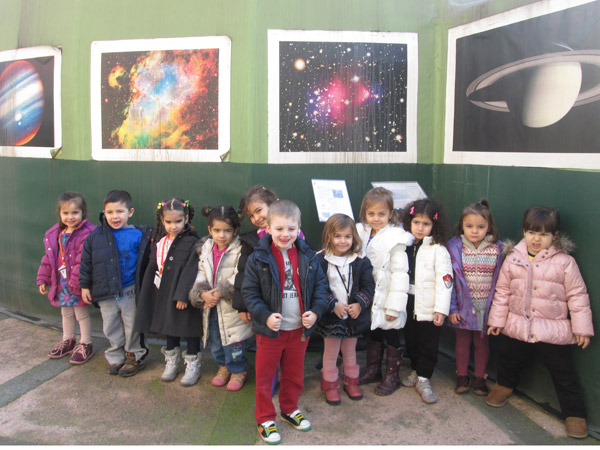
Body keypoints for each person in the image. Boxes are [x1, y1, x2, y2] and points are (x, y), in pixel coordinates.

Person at [486, 206, 594, 439]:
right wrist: (496, 320)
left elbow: (577, 295)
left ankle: (575, 414)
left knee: (563, 373)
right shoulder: (513, 258)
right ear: (524, 232)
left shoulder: (565, 262)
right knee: (509, 359)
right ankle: (504, 386)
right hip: (518, 326)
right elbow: (502, 292)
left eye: (544, 234)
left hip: (552, 330)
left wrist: (582, 327)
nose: (536, 239)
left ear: (554, 235)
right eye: (532, 232)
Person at [242, 200, 329, 445]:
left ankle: (289, 409)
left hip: (299, 331)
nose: (285, 234)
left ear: (299, 228)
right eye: (279, 228)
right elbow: (249, 293)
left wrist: (316, 312)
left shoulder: (309, 256)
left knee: (294, 375)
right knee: (265, 377)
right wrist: (265, 316)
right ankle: (265, 418)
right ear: (268, 228)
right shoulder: (258, 258)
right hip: (270, 332)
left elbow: (321, 288)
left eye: (291, 228)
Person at [80, 190, 152, 377]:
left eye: (120, 211)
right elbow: (86, 263)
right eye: (110, 212)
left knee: (132, 324)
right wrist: (85, 286)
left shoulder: (139, 235)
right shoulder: (96, 237)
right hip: (105, 291)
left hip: (130, 290)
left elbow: (147, 263)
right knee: (110, 325)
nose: (115, 216)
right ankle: (115, 355)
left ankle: (135, 355)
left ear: (130, 212)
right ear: (104, 213)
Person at [134, 198, 202, 386]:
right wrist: (149, 293)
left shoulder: (193, 241)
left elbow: (192, 269)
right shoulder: (160, 242)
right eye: (169, 222)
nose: (174, 226)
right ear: (162, 221)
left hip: (183, 296)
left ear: (186, 219)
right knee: (169, 327)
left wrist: (184, 295)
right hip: (164, 293)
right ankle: (172, 361)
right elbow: (153, 267)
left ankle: (193, 364)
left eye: (178, 221)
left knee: (189, 329)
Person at [188, 205, 254, 392]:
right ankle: (223, 366)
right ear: (210, 230)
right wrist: (202, 293)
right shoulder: (205, 248)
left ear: (235, 230)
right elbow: (201, 272)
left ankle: (238, 370)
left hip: (230, 307)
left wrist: (219, 292)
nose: (222, 235)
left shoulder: (240, 248)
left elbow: (240, 274)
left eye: (227, 231)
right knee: (215, 340)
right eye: (217, 230)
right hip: (211, 307)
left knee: (234, 342)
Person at [356, 187, 412, 396]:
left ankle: (392, 376)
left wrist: (394, 307)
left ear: (390, 214)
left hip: (388, 295)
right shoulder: (361, 232)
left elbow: (400, 274)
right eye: (371, 213)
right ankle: (373, 370)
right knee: (374, 330)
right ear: (365, 213)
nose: (376, 218)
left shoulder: (396, 238)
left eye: (381, 214)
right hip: (370, 293)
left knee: (391, 331)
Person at [317, 214, 374, 405]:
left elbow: (368, 286)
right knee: (331, 353)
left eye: (347, 236)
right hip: (331, 316)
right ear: (329, 237)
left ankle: (351, 382)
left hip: (352, 316)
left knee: (350, 351)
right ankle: (330, 385)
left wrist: (359, 303)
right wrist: (332, 304)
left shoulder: (361, 261)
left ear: (354, 237)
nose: (343, 241)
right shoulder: (320, 260)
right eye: (338, 236)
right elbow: (318, 288)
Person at [447, 200, 503, 395]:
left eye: (480, 227)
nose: (474, 231)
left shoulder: (497, 249)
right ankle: (462, 376)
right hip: (462, 308)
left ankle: (480, 378)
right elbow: (450, 282)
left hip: (485, 309)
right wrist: (452, 309)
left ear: (489, 227)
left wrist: (496, 311)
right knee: (462, 343)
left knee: (481, 344)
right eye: (469, 226)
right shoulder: (455, 247)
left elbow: (501, 282)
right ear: (462, 225)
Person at [400, 198, 453, 404]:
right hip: (408, 303)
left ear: (434, 225)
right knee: (411, 340)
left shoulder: (438, 250)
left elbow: (445, 282)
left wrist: (441, 309)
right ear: (409, 222)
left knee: (428, 343)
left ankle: (424, 378)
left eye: (426, 224)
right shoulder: (404, 245)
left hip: (429, 307)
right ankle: (416, 369)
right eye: (416, 222)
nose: (420, 228)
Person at [37, 192, 96, 364]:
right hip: (61, 283)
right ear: (60, 214)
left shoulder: (87, 234)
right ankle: (68, 340)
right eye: (66, 213)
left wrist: (81, 284)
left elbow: (83, 261)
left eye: (75, 212)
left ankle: (85, 343)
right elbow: (48, 259)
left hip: (78, 283)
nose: (70, 217)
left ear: (83, 213)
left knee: (81, 313)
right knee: (66, 312)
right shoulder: (54, 234)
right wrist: (43, 279)